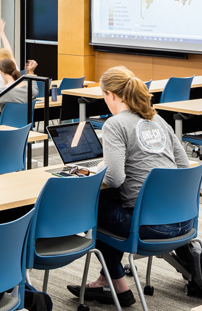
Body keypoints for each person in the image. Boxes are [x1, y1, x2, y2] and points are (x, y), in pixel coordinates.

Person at [67, 67, 191, 306]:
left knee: (92, 211)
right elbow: (184, 166)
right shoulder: (157, 119)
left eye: (104, 96)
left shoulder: (115, 124)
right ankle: (106, 280)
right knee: (112, 205)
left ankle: (119, 287)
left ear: (112, 95)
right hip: (183, 221)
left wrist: (91, 175)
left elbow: (114, 179)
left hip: (149, 226)